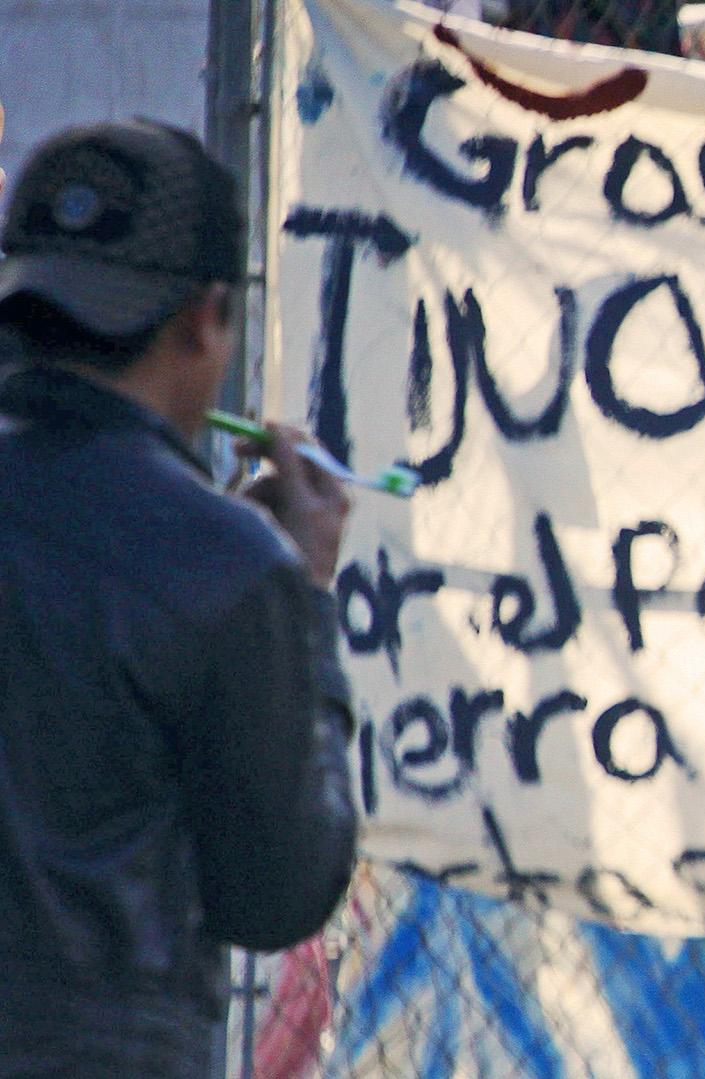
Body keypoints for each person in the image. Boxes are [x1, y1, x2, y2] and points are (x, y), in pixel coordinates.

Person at [0, 120, 358, 1076]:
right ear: (204, 317)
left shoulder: (225, 561)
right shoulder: (229, 565)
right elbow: (276, 891)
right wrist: (305, 601)